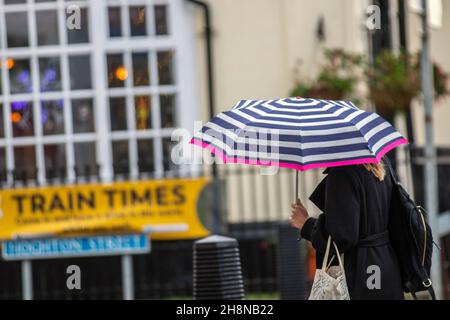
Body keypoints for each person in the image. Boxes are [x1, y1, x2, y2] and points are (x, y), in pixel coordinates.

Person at [289, 159, 404, 300]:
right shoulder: (380, 162)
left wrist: (306, 224)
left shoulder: (342, 172)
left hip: (360, 273)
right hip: (386, 266)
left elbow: (342, 237)